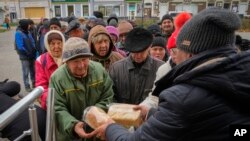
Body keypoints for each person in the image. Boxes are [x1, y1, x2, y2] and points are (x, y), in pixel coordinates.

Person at [93, 7, 250, 141]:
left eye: (178, 49)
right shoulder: (241, 76)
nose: (174, 55)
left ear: (190, 53)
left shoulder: (182, 98)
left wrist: (110, 129)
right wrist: (152, 114)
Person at [49, 37, 114, 140]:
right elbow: (57, 108)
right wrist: (73, 125)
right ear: (66, 62)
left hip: (97, 131)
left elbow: (108, 96)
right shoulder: (57, 78)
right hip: (70, 136)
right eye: (75, 61)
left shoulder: (99, 70)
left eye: (84, 59)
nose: (81, 65)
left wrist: (93, 114)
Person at [109, 27, 164, 104]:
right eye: (134, 52)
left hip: (149, 115)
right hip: (122, 115)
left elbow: (163, 99)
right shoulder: (116, 68)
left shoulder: (161, 68)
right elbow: (110, 97)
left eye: (142, 52)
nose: (138, 56)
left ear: (149, 47)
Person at [35, 30, 65, 110]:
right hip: (52, 103)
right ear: (47, 45)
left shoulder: (68, 58)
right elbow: (41, 86)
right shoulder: (41, 60)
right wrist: (51, 99)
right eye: (52, 44)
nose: (56, 47)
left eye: (59, 43)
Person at [15, 19, 37, 92]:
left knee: (33, 70)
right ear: (25, 25)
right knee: (26, 72)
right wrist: (27, 52)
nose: (29, 26)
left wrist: (34, 49)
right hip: (25, 56)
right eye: (28, 25)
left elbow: (32, 41)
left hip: (31, 55)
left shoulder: (28, 32)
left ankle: (34, 83)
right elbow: (20, 46)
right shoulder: (18, 33)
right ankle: (27, 86)